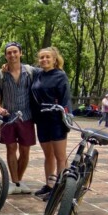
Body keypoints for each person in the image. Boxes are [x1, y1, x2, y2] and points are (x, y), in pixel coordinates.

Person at [0, 41, 35, 195]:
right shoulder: (0, 75)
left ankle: (19, 181)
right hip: (8, 117)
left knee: (25, 150)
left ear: (20, 53)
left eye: (15, 51)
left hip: (27, 116)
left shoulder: (31, 72)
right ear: (5, 56)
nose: (12, 55)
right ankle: (14, 182)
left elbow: (46, 77)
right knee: (11, 148)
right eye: (9, 53)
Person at [31, 47, 72, 201]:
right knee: (48, 155)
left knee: (60, 156)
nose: (44, 60)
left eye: (48, 57)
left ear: (54, 59)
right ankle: (49, 185)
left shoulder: (60, 76)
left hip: (57, 120)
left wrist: (65, 118)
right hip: (42, 120)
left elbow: (65, 99)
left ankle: (61, 189)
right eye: (41, 57)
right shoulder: (37, 75)